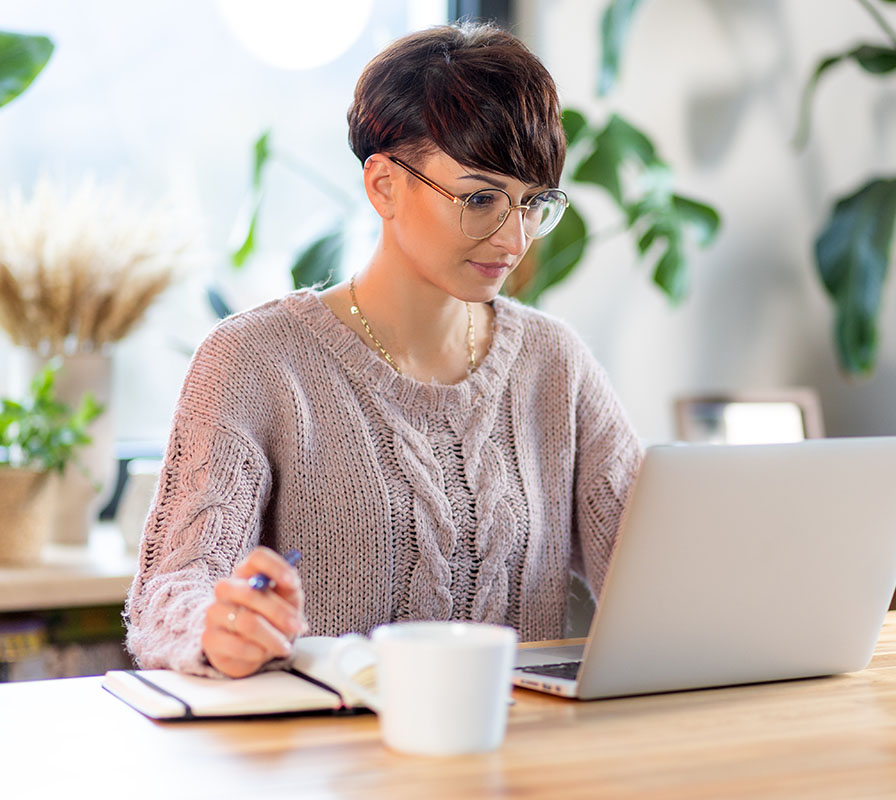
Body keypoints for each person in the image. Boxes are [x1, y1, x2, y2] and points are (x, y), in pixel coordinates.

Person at [124, 21, 643, 679]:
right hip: (327, 765)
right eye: (481, 198)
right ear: (383, 186)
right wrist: (218, 626)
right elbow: (170, 591)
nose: (514, 240)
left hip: (519, 763)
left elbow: (656, 570)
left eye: (532, 204)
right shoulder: (255, 362)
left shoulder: (554, 364)